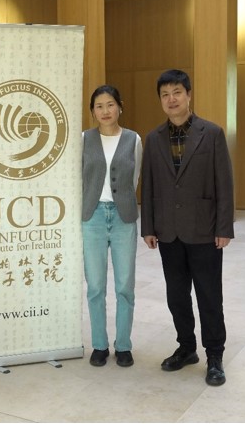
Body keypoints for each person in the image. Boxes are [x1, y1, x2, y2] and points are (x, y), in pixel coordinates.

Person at [140, 69, 234, 386]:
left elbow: (224, 183)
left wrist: (224, 227)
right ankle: (186, 348)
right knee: (176, 295)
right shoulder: (153, 139)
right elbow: (149, 186)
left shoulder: (212, 133)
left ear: (189, 94)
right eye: (165, 94)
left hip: (204, 229)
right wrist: (148, 226)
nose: (171, 99)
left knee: (209, 295)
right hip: (168, 231)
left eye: (177, 92)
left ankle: (215, 356)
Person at [82, 85, 142, 368]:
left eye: (110, 105)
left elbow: (135, 178)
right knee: (95, 286)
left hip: (123, 218)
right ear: (92, 110)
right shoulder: (84, 139)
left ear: (120, 106)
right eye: (99, 106)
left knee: (125, 286)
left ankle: (124, 345)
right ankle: (99, 344)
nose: (105, 111)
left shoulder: (133, 139)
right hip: (92, 217)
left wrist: (123, 203)